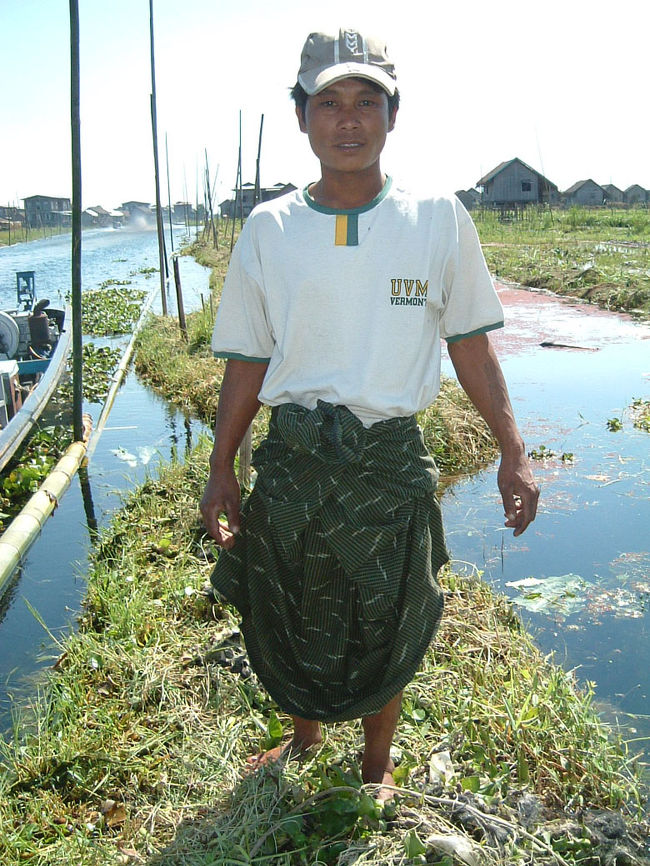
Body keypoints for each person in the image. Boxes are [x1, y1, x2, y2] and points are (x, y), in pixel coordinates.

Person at [200, 27, 539, 796]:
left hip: (388, 457)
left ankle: (376, 763)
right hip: (293, 456)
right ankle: (306, 736)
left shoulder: (438, 219)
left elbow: (472, 348)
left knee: (391, 611)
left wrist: (513, 450)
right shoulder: (269, 229)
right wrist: (221, 466)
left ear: (393, 115)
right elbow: (248, 359)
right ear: (301, 117)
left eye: (366, 102)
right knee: (288, 597)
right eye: (328, 103)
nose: (347, 120)